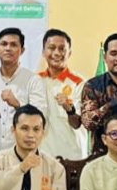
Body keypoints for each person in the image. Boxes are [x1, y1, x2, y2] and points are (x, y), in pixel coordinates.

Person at [0, 28, 48, 153]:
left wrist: (17, 104)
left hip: (23, 153)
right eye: (4, 44)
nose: (8, 48)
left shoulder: (33, 80)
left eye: (13, 45)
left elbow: (41, 117)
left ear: (22, 50)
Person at [37, 29, 87, 160]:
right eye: (51, 48)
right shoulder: (35, 81)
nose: (56, 53)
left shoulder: (79, 83)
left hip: (72, 156)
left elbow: (77, 123)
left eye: (62, 49)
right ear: (43, 52)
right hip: (42, 154)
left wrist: (69, 108)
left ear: (69, 53)